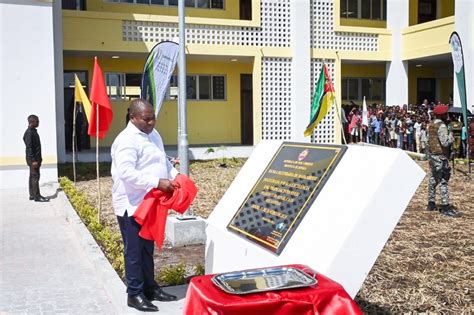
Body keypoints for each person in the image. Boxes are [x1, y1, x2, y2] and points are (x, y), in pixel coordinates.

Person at [111, 99, 179, 312]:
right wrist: (159, 182)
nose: (151, 123)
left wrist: (176, 177)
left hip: (150, 203)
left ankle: (150, 287)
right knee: (134, 251)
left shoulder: (153, 135)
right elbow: (126, 173)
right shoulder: (126, 140)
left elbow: (163, 162)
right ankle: (135, 293)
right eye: (146, 119)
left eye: (153, 118)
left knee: (147, 249)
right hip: (131, 204)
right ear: (133, 118)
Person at [426, 105, 459, 217]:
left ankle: (431, 203)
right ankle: (445, 207)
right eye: (446, 114)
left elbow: (427, 142)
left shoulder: (430, 125)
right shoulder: (442, 126)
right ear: (443, 115)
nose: (447, 115)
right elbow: (445, 142)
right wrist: (451, 136)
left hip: (432, 156)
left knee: (433, 179)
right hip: (440, 156)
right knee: (443, 180)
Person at [23, 115, 49, 202]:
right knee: (35, 177)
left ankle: (32, 195)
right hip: (33, 160)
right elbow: (29, 148)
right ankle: (37, 196)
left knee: (32, 176)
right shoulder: (29, 132)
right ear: (31, 122)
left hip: (35, 159)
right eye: (36, 121)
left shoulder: (33, 131)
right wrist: (33, 160)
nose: (38, 122)